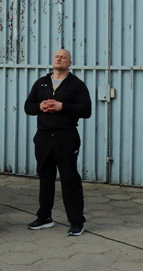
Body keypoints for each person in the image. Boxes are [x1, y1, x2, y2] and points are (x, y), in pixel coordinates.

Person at [24, 49, 92, 236]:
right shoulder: (41, 83)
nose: (59, 58)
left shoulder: (76, 85)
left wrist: (63, 107)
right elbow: (27, 107)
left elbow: (86, 110)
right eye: (57, 56)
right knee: (45, 177)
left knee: (70, 178)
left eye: (63, 57)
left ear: (70, 62)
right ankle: (45, 217)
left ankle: (77, 221)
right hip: (43, 137)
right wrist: (40, 106)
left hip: (66, 137)